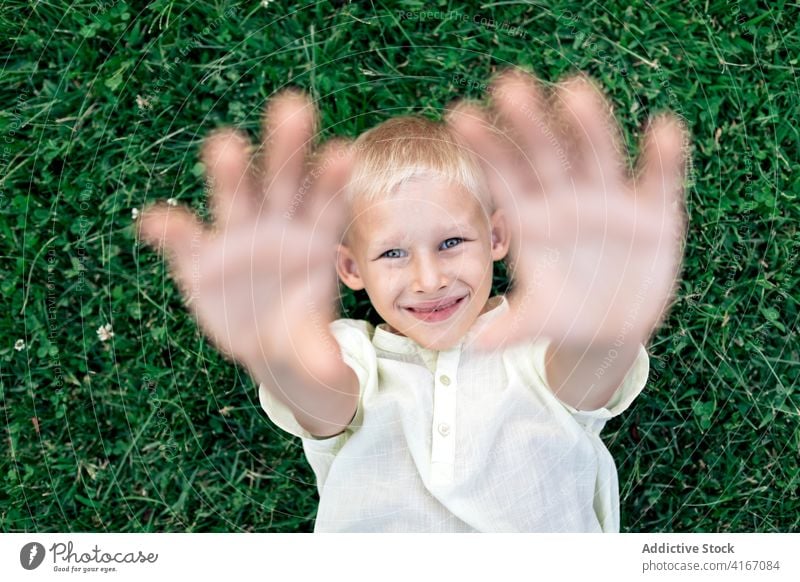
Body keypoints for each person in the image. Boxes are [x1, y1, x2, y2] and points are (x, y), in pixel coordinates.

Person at [138, 68, 688, 532]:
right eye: (393, 255)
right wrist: (278, 352)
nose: (429, 279)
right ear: (350, 268)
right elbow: (322, 404)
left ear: (497, 238)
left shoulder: (537, 339)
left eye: (451, 242)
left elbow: (588, 378)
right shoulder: (351, 358)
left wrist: (608, 320)